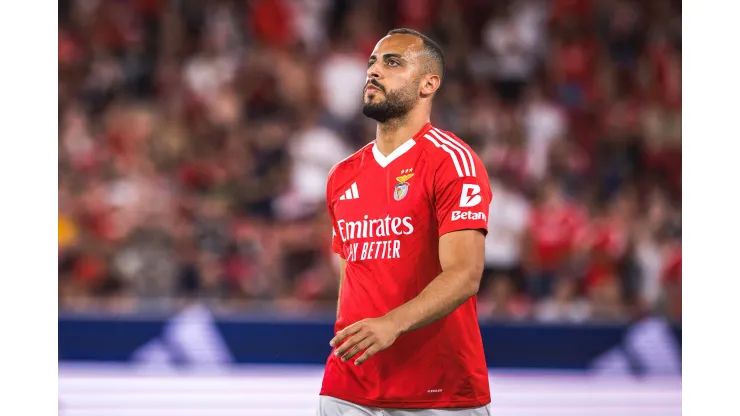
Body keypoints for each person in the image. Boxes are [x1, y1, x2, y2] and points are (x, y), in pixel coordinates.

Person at [317, 29, 493, 416]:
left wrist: (391, 324)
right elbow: (351, 275)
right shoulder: (342, 175)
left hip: (437, 392)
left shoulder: (453, 162)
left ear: (429, 83)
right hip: (349, 388)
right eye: (372, 63)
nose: (374, 71)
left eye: (392, 62)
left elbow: (465, 274)